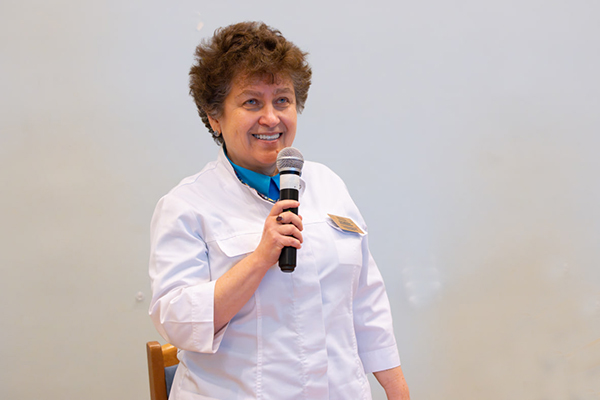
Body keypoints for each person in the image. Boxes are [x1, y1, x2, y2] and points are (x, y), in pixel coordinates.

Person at [149, 21, 410, 400]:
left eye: (283, 100)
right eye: (252, 102)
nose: (271, 118)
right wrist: (259, 259)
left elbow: (366, 301)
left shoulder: (328, 185)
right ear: (215, 116)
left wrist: (397, 389)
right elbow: (178, 323)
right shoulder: (186, 206)